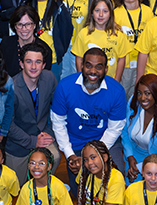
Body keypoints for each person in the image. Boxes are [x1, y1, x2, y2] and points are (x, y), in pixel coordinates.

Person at [50, 47, 128, 186]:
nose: (93, 71)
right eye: (88, 66)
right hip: (75, 144)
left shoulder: (116, 91)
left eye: (99, 67)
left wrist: (94, 155)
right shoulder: (64, 86)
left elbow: (114, 129)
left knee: (116, 178)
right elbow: (58, 123)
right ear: (81, 66)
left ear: (106, 69)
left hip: (105, 142)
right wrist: (71, 155)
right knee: (80, 188)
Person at [6, 41, 59, 183]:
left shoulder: (49, 78)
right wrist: (33, 141)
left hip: (42, 132)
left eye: (38, 62)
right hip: (18, 143)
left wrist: (50, 132)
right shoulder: (10, 87)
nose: (34, 67)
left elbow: (58, 110)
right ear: (22, 64)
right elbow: (8, 126)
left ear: (43, 65)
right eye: (29, 62)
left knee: (55, 156)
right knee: (16, 185)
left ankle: (42, 187)